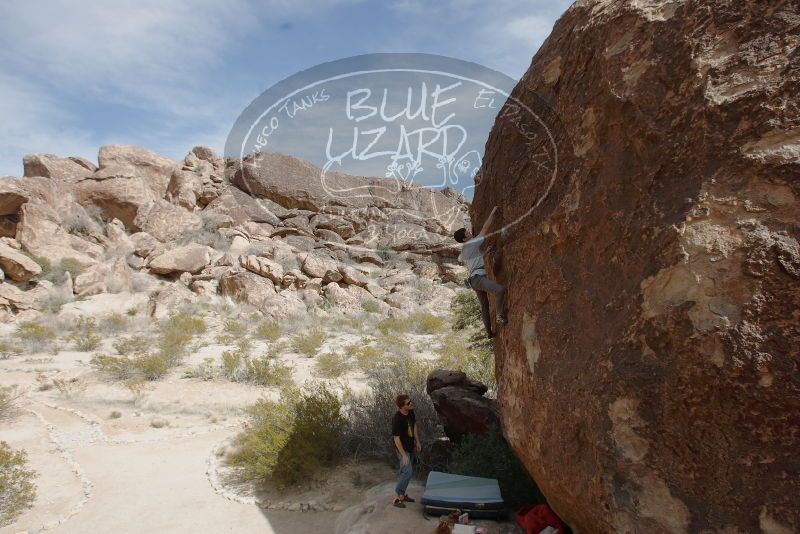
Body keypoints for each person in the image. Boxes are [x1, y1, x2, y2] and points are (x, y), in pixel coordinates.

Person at [454, 205, 508, 338]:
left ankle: (489, 332)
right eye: (467, 233)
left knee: (484, 306)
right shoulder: (472, 243)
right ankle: (500, 316)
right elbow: (485, 228)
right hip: (478, 278)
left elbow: (471, 259)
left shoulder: (464, 250)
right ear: (465, 238)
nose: (469, 232)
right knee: (500, 290)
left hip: (473, 281)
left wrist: (485, 252)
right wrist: (493, 211)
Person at [392, 394, 421, 508]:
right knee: (407, 471)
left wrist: (417, 441)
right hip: (402, 449)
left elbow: (414, 426)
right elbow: (396, 438)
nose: (411, 403)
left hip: (410, 446)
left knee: (407, 472)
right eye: (408, 403)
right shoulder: (397, 418)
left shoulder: (411, 412)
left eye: (411, 401)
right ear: (402, 406)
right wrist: (403, 455)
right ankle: (396, 498)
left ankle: (402, 495)